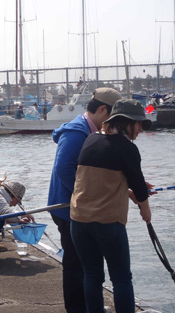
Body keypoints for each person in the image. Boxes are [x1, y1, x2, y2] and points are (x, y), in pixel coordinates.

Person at [70, 99, 153, 313]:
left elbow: (98, 179)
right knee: (122, 278)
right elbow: (139, 185)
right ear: (126, 122)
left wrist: (127, 191)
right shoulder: (127, 148)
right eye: (138, 123)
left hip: (79, 221)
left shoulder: (91, 140)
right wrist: (145, 209)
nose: (140, 129)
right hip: (108, 223)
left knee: (92, 276)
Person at [47, 87, 122, 313]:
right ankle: (77, 308)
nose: (114, 124)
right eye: (112, 117)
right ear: (101, 110)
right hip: (67, 207)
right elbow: (64, 169)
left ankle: (89, 305)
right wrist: (87, 196)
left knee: (86, 261)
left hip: (81, 206)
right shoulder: (76, 132)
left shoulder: (92, 131)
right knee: (75, 263)